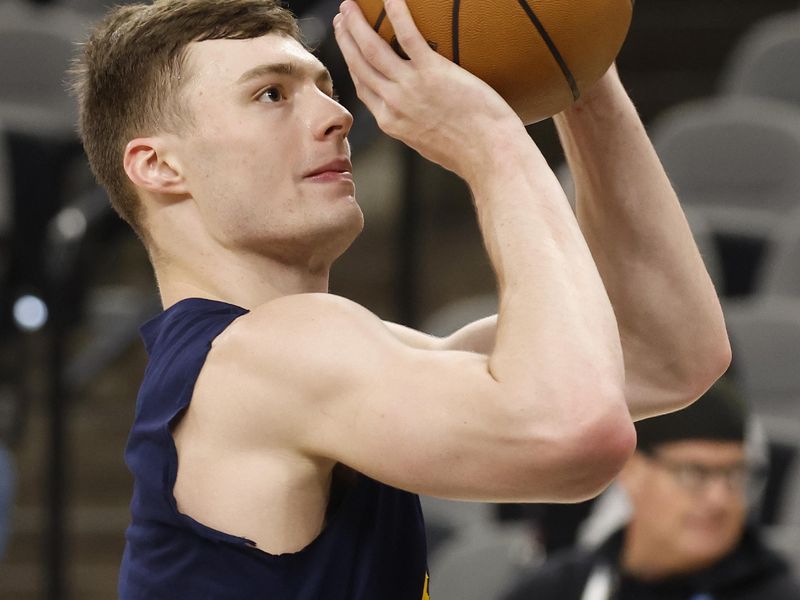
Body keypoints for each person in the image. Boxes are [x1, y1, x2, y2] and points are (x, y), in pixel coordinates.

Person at [69, 0, 731, 597]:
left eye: (325, 88)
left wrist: (576, 71)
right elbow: (574, 430)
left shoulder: (303, 362)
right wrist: (492, 142)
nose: (338, 115)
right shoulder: (264, 356)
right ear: (159, 166)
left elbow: (668, 353)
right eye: (272, 94)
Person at [503, 380, 800, 600]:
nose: (720, 498)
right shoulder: (561, 587)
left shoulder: (774, 593)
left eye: (735, 474)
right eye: (694, 473)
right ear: (630, 471)